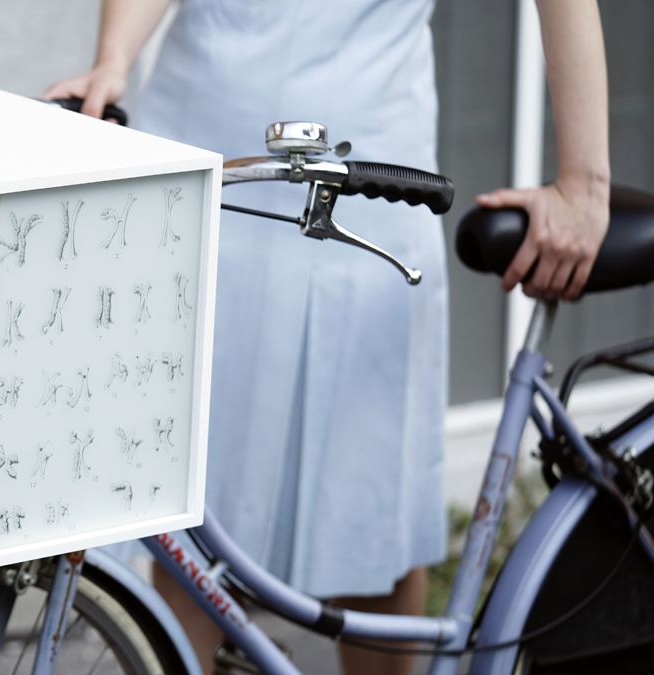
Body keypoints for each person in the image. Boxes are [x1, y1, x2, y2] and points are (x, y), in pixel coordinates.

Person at [44, 1, 609, 674]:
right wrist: (113, 58)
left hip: (366, 179)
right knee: (190, 515)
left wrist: (585, 184)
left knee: (369, 522)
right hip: (205, 149)